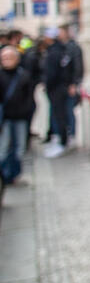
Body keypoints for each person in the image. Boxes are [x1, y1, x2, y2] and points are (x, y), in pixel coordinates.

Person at [0, 46, 36, 185]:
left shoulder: (24, 76)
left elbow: (29, 97)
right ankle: (4, 176)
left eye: (9, 58)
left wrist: (26, 112)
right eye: (4, 58)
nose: (7, 61)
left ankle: (14, 174)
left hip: (20, 117)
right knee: (4, 148)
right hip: (5, 119)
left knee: (19, 148)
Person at [42, 28, 77, 158]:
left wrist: (48, 85)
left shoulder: (54, 52)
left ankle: (63, 141)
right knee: (60, 115)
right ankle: (63, 139)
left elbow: (53, 73)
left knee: (60, 116)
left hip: (57, 89)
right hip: (61, 87)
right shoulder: (62, 50)